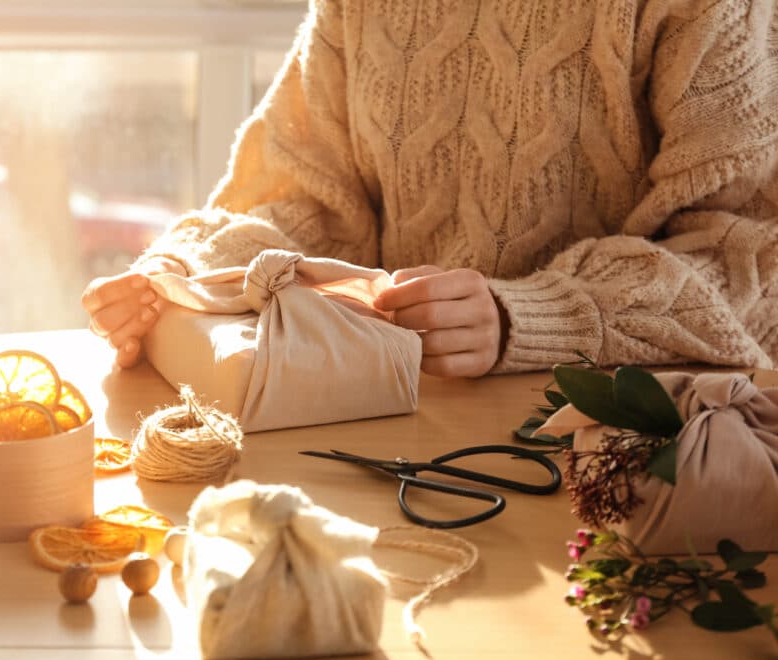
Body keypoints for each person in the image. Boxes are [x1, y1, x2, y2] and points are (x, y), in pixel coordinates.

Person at [83, 0, 778, 378]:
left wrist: (524, 319)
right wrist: (184, 271)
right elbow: (312, 203)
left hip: (625, 457)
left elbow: (749, 261)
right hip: (397, 434)